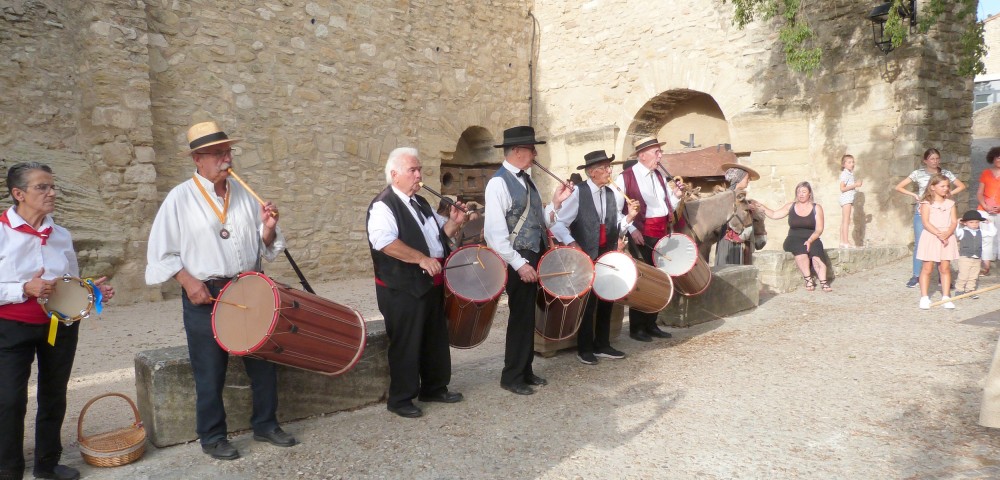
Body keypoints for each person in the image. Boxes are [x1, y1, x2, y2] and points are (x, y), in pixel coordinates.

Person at [145, 121, 296, 460]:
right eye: (218, 154)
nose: (227, 159)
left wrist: (269, 229)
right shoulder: (179, 199)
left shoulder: (243, 193)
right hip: (206, 292)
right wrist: (188, 281)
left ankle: (266, 424)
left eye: (228, 152)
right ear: (198, 159)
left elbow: (264, 246)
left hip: (248, 287)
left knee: (262, 360)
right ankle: (213, 436)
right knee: (210, 369)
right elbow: (161, 253)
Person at [0, 162, 115, 480]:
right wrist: (23, 287)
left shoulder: (61, 235)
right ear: (18, 193)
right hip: (10, 329)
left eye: (53, 186)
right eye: (43, 187)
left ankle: (47, 465)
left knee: (54, 393)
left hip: (59, 326)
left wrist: (94, 290)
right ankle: (8, 469)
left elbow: (70, 282)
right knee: (9, 398)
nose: (52, 193)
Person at [367, 148, 467, 418]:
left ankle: (434, 387)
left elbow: (437, 236)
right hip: (400, 287)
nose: (419, 175)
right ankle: (400, 399)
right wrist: (421, 259)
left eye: (419, 169)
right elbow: (384, 242)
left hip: (429, 283)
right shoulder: (383, 205)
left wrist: (454, 224)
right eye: (413, 170)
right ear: (394, 174)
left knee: (434, 336)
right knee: (406, 342)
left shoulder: (421, 202)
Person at [484, 125, 570, 395]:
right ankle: (511, 376)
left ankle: (525, 369)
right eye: (532, 149)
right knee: (520, 317)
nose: (535, 153)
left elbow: (537, 221)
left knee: (528, 316)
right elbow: (495, 234)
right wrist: (520, 264)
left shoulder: (528, 180)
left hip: (533, 255)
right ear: (518, 151)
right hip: (516, 259)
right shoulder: (498, 183)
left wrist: (555, 204)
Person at [546, 150, 638, 365]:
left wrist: (629, 218)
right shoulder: (578, 192)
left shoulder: (612, 193)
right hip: (585, 254)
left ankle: (603, 344)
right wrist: (572, 244)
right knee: (587, 304)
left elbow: (614, 226)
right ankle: (585, 348)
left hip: (606, 252)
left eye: (609, 167)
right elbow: (559, 224)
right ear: (593, 172)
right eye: (605, 168)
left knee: (607, 297)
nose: (609, 171)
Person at [613, 137, 685, 342]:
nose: (660, 155)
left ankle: (651, 323)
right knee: (644, 280)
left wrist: (676, 195)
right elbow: (616, 211)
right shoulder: (625, 177)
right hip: (642, 234)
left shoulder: (659, 176)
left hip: (661, 231)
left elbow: (664, 205)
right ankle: (637, 328)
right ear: (642, 155)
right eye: (656, 152)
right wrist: (633, 229)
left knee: (661, 278)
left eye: (659, 152)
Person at [894, 148, 966, 288]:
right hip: (923, 212)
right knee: (920, 242)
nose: (935, 161)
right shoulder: (918, 173)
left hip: (941, 213)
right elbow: (899, 187)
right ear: (925, 160)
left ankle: (943, 276)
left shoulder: (945, 173)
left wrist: (948, 194)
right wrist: (913, 195)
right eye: (932, 159)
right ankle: (916, 275)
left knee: (943, 242)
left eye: (937, 158)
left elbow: (961, 185)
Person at [755, 182, 832, 292]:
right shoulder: (790, 206)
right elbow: (774, 214)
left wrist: (810, 240)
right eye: (798, 192)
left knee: (817, 255)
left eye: (804, 192)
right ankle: (808, 279)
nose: (801, 194)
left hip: (812, 237)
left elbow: (819, 229)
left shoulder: (817, 208)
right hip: (793, 238)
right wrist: (761, 207)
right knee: (801, 252)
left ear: (809, 194)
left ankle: (823, 281)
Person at [914, 174, 958, 310]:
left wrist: (948, 233)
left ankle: (946, 296)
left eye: (947, 186)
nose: (946, 189)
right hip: (932, 236)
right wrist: (939, 234)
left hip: (947, 236)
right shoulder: (926, 203)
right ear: (933, 187)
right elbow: (926, 222)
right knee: (927, 268)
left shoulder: (950, 204)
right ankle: (924, 297)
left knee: (945, 268)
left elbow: (954, 221)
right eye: (942, 186)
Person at [715, 162, 762, 266]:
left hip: (741, 238)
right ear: (739, 178)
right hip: (729, 238)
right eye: (747, 178)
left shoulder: (740, 195)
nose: (748, 180)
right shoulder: (729, 195)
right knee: (730, 266)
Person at [954, 210, 995, 297]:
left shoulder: (980, 232)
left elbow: (993, 233)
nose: (974, 224)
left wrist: (990, 224)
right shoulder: (962, 231)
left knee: (974, 275)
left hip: (977, 257)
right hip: (965, 257)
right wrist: (957, 224)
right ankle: (959, 289)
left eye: (976, 222)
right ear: (965, 223)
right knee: (963, 275)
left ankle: (970, 290)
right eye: (971, 222)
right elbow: (956, 233)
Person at [975, 147, 1000, 276]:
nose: (999, 159)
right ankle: (986, 267)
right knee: (986, 238)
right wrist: (984, 205)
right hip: (985, 210)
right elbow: (980, 192)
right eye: (998, 157)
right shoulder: (985, 173)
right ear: (993, 158)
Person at [838, 154, 863, 248]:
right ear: (843, 164)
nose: (852, 164)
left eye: (853, 162)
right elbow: (842, 188)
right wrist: (855, 185)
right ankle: (845, 241)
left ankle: (842, 241)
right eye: (849, 162)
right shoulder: (845, 174)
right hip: (846, 198)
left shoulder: (849, 174)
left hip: (848, 198)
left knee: (844, 220)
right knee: (846, 220)